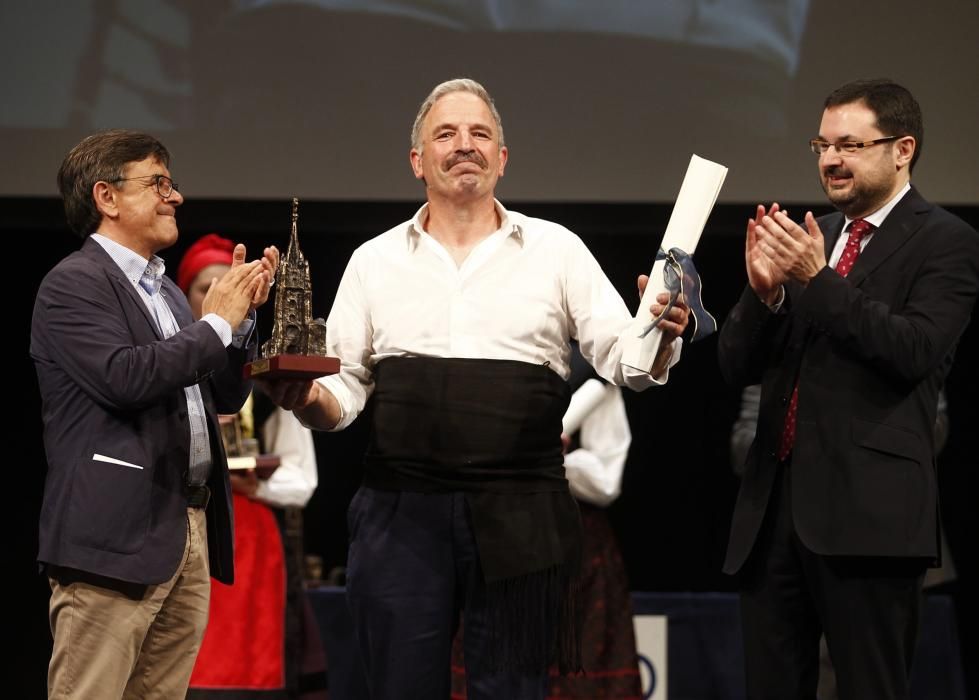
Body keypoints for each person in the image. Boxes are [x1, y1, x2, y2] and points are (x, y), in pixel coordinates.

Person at [261, 78, 689, 699]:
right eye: (446, 134)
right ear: (417, 161)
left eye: (480, 134)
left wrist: (663, 332)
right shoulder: (375, 260)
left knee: (512, 692)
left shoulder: (556, 250)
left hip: (521, 512)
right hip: (400, 514)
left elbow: (626, 360)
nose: (465, 145)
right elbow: (345, 391)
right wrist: (306, 398)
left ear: (503, 158)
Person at [717, 78, 979, 699]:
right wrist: (765, 295)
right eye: (822, 145)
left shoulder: (947, 242)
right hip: (774, 513)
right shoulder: (816, 238)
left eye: (850, 145)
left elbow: (912, 350)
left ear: (903, 149)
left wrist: (816, 280)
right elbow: (734, 366)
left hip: (869, 519)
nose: (831, 160)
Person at [31, 129, 277, 699]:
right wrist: (215, 323)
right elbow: (126, 377)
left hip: (183, 528)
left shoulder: (164, 293)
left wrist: (237, 327)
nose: (176, 197)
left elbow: (221, 399)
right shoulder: (73, 284)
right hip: (113, 537)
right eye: (159, 183)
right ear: (107, 198)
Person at [177, 234, 327, 699]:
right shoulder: (165, 367)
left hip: (249, 540)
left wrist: (250, 485)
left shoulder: (264, 381)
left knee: (247, 668)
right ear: (183, 298)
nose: (218, 297)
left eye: (230, 286)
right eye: (205, 288)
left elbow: (302, 478)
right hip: (176, 526)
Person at [450, 341, 642, 698]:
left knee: (575, 675)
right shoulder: (486, 357)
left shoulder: (593, 374)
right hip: (497, 533)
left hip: (573, 545)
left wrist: (550, 458)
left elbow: (607, 478)